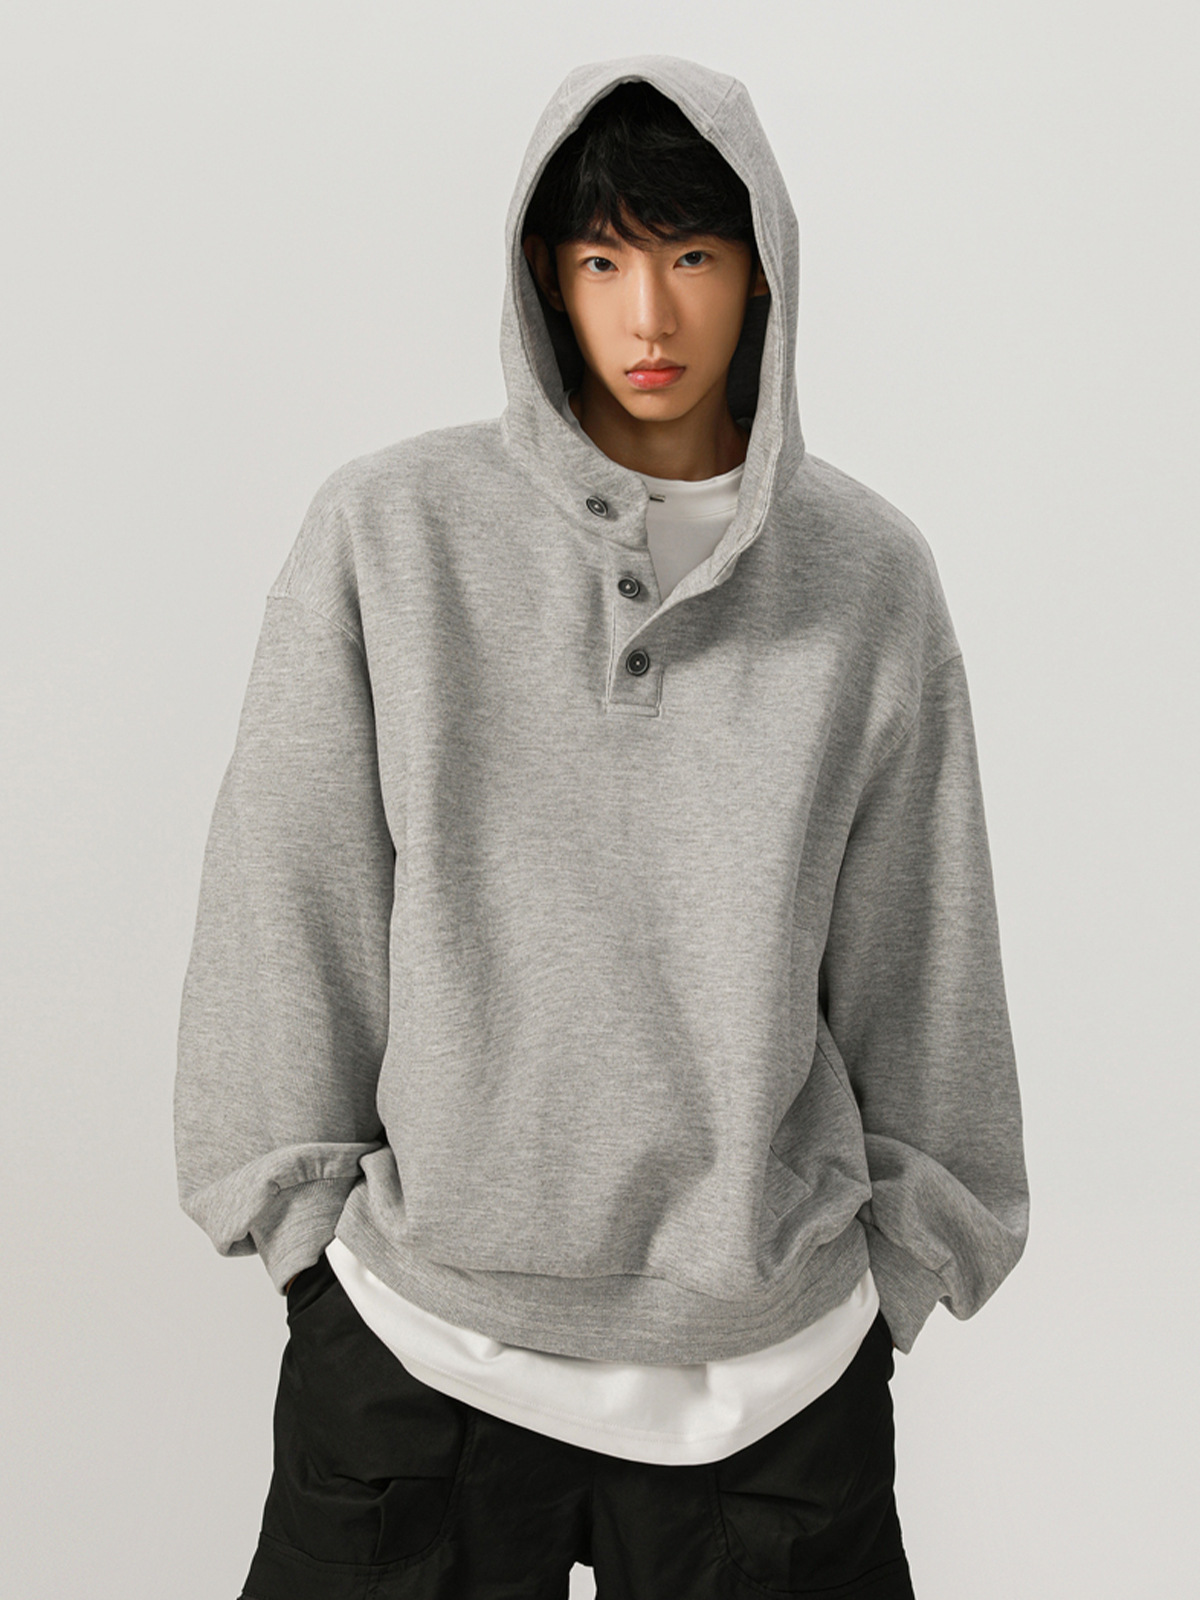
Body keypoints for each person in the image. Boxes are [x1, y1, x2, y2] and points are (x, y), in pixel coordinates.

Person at [175, 55, 1029, 1600]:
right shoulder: (391, 533)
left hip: (770, 1370)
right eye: (602, 260)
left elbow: (925, 939)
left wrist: (908, 1261)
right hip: (421, 1346)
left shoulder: (867, 575)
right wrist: (303, 1238)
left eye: (692, 256)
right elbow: (289, 891)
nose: (649, 316)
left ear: (761, 273)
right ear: (544, 277)